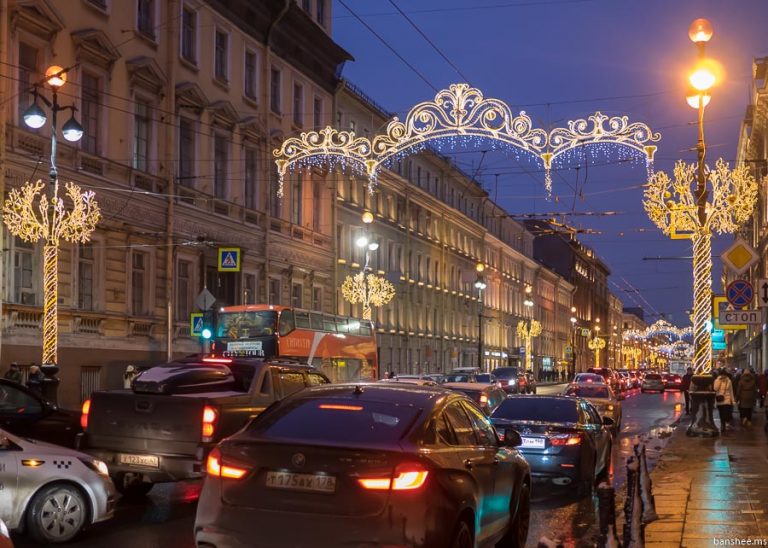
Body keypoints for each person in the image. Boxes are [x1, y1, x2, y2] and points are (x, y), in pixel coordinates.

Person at [714, 368, 735, 434]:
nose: (724, 376)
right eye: (722, 375)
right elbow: (715, 389)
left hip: (727, 399)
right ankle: (723, 425)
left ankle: (725, 422)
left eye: (725, 375)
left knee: (726, 413)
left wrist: (733, 400)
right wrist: (719, 382)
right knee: (721, 413)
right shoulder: (717, 380)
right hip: (720, 399)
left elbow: (731, 391)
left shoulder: (729, 381)